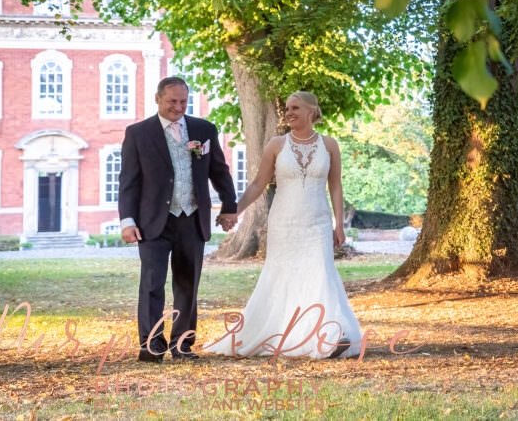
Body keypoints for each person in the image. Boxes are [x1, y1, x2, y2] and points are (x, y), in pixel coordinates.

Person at [203, 91, 362, 359]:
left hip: (317, 222)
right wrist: (234, 211)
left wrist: (339, 224)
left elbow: (335, 186)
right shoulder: (276, 145)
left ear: (312, 111)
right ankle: (282, 333)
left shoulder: (329, 145)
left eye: (295, 108)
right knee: (282, 275)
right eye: (287, 108)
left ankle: (328, 337)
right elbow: (257, 184)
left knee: (320, 273)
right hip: (284, 222)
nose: (288, 113)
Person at [118, 76, 238, 362]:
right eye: (172, 101)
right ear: (157, 99)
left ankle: (182, 345)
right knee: (152, 283)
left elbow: (219, 171)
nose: (178, 107)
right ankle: (151, 345)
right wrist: (127, 220)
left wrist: (229, 206)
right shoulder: (138, 133)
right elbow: (129, 182)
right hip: (152, 221)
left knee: (187, 285)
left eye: (183, 101)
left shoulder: (203, 130)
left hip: (192, 219)